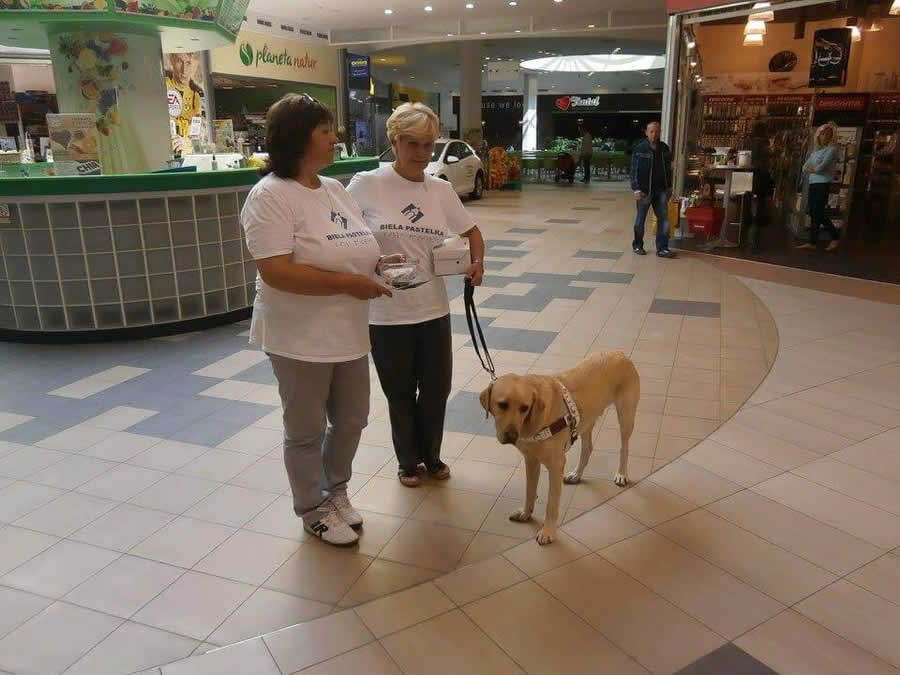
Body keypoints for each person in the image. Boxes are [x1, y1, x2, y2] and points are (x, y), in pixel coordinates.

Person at [240, 93, 390, 547]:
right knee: (306, 430)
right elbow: (277, 271)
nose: (334, 139)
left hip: (347, 331)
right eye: (326, 131)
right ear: (300, 138)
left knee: (352, 420)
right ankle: (312, 507)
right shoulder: (269, 196)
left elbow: (355, 243)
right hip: (298, 337)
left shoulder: (332, 189)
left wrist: (379, 265)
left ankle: (336, 491)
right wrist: (349, 283)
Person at [348, 102, 486, 487]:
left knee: (436, 389)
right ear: (394, 141)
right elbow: (345, 238)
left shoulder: (439, 189)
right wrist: (371, 262)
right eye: (413, 144)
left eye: (428, 145)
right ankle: (408, 462)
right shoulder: (365, 184)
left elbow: (472, 233)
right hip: (387, 313)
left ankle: (432, 456)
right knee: (400, 391)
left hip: (432, 310)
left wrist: (477, 264)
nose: (422, 154)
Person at [630, 121, 676, 258]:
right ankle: (638, 245)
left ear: (660, 132)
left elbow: (669, 170)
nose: (654, 134)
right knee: (640, 220)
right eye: (651, 131)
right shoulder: (640, 148)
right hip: (644, 191)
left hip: (661, 190)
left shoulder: (665, 149)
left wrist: (669, 187)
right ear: (646, 132)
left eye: (657, 131)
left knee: (664, 220)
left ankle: (662, 248)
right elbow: (633, 171)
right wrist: (636, 189)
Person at [798, 122, 840, 252]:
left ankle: (834, 237)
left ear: (831, 136)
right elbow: (805, 167)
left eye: (828, 134)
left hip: (823, 183)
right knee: (812, 211)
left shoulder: (831, 150)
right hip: (813, 183)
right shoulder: (816, 152)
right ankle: (813, 242)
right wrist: (813, 168)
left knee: (818, 212)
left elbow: (821, 168)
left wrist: (813, 168)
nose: (824, 136)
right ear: (818, 135)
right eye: (822, 134)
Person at [165, 52, 205, 155]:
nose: (184, 70)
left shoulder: (195, 96)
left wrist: (185, 142)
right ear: (171, 61)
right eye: (179, 61)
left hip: (187, 157)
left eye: (188, 63)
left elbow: (196, 133)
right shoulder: (162, 86)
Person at [748, 122, 774, 251]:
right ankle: (758, 222)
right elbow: (769, 153)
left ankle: (750, 219)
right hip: (761, 174)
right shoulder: (763, 142)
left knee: (753, 198)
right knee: (761, 201)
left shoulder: (751, 141)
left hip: (752, 173)